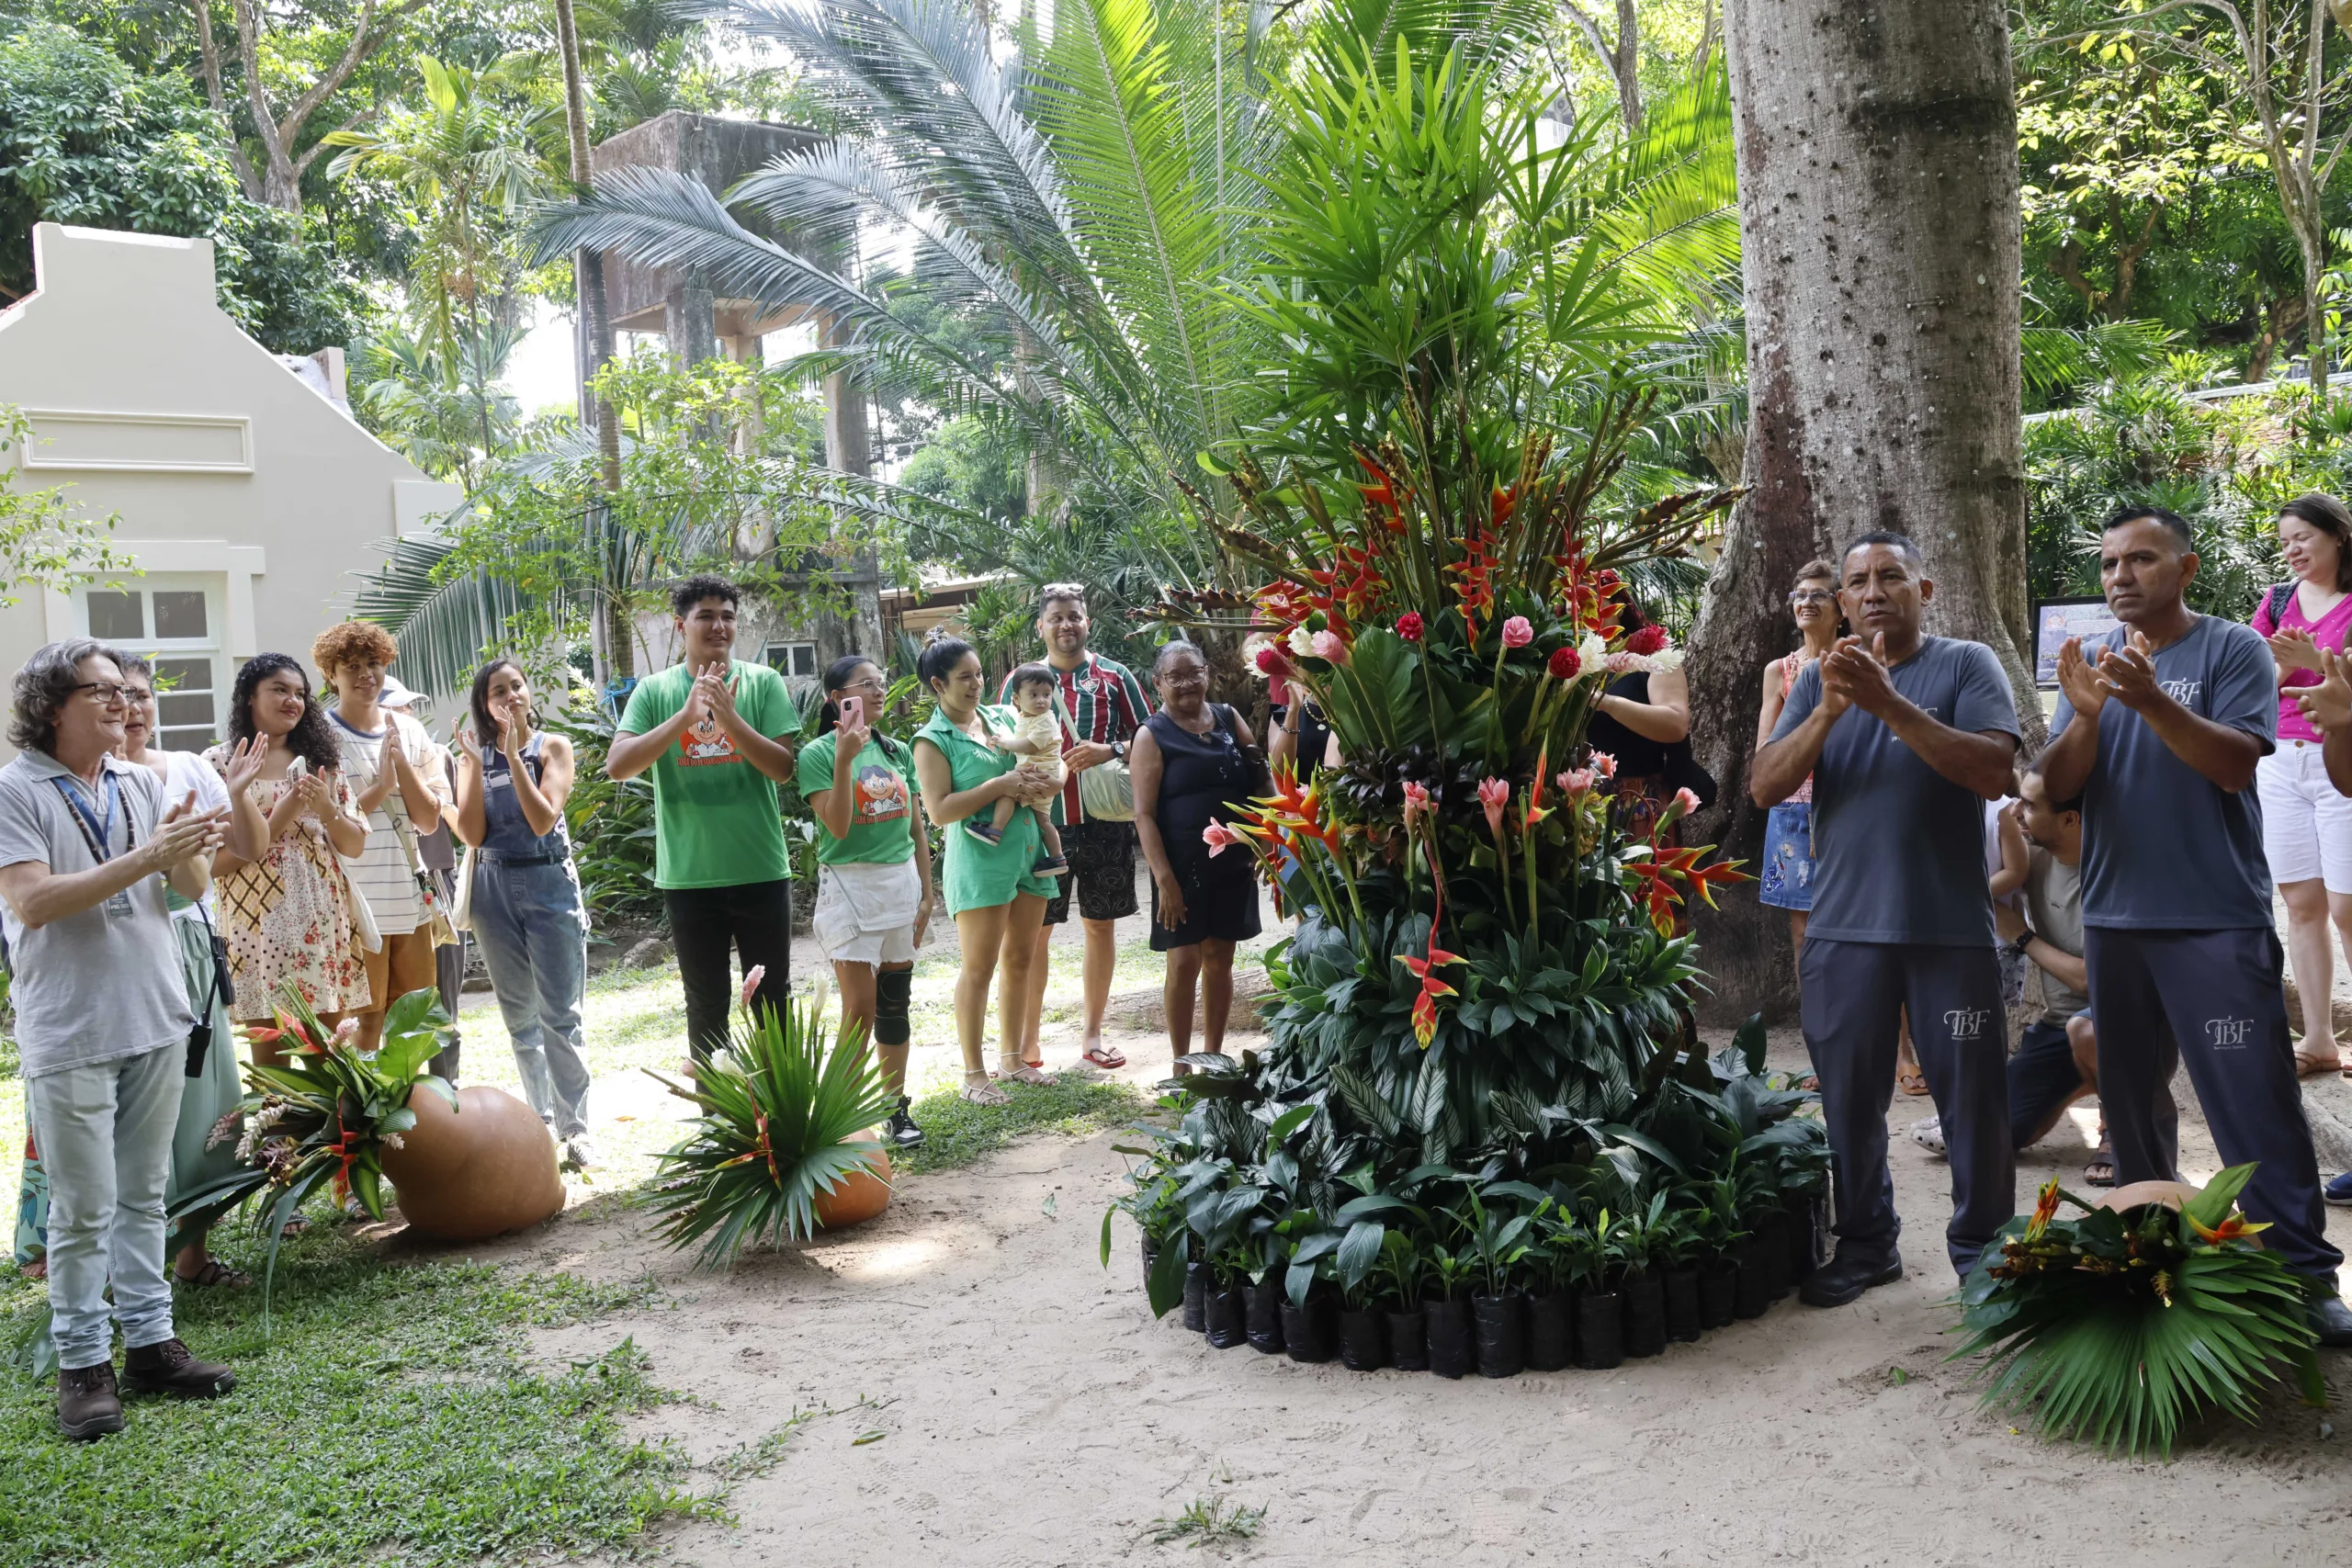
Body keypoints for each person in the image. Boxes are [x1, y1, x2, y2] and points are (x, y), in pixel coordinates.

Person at [2039, 504, 2352, 1345]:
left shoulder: (2232, 648)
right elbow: (2055, 794)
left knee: (2253, 1100)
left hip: (2212, 918)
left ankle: (2303, 1272)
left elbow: (2234, 762)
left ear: (2187, 567)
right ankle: (2153, 1242)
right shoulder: (2093, 667)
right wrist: (2087, 714)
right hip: (2114, 918)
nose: (2120, 577)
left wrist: (2147, 703)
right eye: (2109, 564)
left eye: (2141, 560)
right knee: (2132, 1103)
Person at [1751, 531, 2020, 1304]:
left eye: (1891, 577)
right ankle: (1868, 1244)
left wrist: (1888, 702)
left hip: (1949, 931)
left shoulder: (1967, 664)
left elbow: (1993, 769)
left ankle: (1984, 1256)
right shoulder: (1817, 681)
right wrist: (1831, 708)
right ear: (1840, 602)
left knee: (1971, 1098)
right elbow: (1766, 785)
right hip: (1842, 931)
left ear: (1923, 590)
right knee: (1849, 1098)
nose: (1873, 591)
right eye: (1858, 581)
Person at [0, 640, 236, 1438]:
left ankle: (151, 1345)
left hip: (155, 1011)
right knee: (83, 1206)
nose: (122, 702)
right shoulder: (16, 789)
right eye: (99, 691)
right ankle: (81, 1366)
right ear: (51, 705)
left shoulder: (142, 782)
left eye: (123, 691)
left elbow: (187, 890)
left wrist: (190, 851)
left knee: (143, 1195)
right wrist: (150, 854)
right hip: (71, 1024)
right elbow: (34, 903)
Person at [1909, 768, 2177, 1186]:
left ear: (2070, 819)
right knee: (1992, 1133)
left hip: (2127, 1029)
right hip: (2057, 1028)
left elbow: (2090, 980)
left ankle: (2117, 1127)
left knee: (2085, 1031)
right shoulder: (2034, 856)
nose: (2017, 811)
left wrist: (2021, 935)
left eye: (2030, 806)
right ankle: (2080, 1078)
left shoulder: (2115, 872)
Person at [610, 576, 797, 1066]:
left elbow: (781, 768)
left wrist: (729, 718)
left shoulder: (763, 682)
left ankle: (785, 1127)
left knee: (772, 1004)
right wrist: (686, 718)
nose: (719, 626)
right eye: (706, 616)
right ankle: (722, 1132)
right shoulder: (654, 690)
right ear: (682, 625)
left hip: (760, 868)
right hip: (689, 876)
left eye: (728, 616)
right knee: (707, 1007)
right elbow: (618, 765)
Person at [119, 658, 263, 1287]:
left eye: (142, 695)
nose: (132, 708)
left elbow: (240, 850)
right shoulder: (83, 782)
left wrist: (235, 791)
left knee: (205, 1099)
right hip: (121, 954)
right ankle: (128, 1265)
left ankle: (192, 1256)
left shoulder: (189, 769)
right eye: (118, 696)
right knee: (132, 1110)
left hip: (192, 946)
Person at [452, 659, 595, 1171]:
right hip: (493, 886)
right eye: (498, 691)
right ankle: (541, 1123)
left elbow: (541, 820)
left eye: (517, 685)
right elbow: (470, 835)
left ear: (529, 692)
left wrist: (513, 757)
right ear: (484, 703)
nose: (510, 696)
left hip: (548, 879)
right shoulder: (473, 755)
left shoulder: (551, 747)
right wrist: (470, 767)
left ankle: (576, 1127)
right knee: (519, 1018)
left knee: (562, 1013)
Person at [1005, 583, 1153, 1073]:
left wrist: (1107, 750)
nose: (1066, 624)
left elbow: (1150, 737)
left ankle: (1093, 1034)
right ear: (1041, 626)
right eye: (1056, 617)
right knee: (1036, 933)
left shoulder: (1115, 675)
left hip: (1104, 823)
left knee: (1100, 926)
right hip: (1041, 824)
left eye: (1074, 616)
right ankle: (1028, 1043)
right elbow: (999, 742)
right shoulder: (1019, 680)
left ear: (1087, 622)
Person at [913, 637, 1063, 1104]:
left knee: (1021, 958)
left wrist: (1051, 778)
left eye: (978, 674)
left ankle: (1013, 1059)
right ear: (938, 684)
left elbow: (1044, 758)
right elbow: (939, 811)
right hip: (980, 861)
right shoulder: (932, 740)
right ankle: (974, 1075)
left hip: (1030, 851)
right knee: (979, 967)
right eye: (964, 677)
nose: (976, 684)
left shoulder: (1003, 717)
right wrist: (1001, 783)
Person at [797, 655, 937, 1146]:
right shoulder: (816, 754)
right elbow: (837, 826)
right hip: (850, 887)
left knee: (894, 1002)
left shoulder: (896, 750)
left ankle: (894, 1109)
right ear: (838, 698)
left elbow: (916, 824)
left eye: (881, 684)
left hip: (900, 884)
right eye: (866, 685)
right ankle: (838, 1116)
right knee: (860, 1007)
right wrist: (842, 758)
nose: (879, 691)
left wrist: (927, 888)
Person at [206, 654, 372, 1065]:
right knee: (271, 1059)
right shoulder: (218, 763)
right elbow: (213, 863)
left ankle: (335, 1131)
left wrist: (328, 810)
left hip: (319, 912)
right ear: (249, 697)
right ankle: (277, 1131)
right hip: (252, 924)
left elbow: (353, 845)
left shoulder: (322, 764)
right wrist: (285, 810)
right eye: (279, 690)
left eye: (299, 693)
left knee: (330, 1054)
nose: (292, 701)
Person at [311, 622, 451, 1053]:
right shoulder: (319, 737)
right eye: (350, 666)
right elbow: (326, 829)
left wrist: (400, 767)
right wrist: (381, 784)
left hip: (410, 902)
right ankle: (362, 1121)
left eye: (373, 663)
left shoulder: (409, 732)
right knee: (361, 1030)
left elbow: (430, 821)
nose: (364, 674)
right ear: (330, 674)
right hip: (352, 908)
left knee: (414, 1031)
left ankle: (413, 1120)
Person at [2250, 492, 2352, 1076]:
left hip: (2338, 759)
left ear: (2337, 535)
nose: (2292, 550)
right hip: (2279, 763)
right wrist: (2288, 665)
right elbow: (2255, 681)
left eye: (2303, 538)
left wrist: (2316, 656)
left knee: (2347, 906)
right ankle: (2318, 1039)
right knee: (2302, 903)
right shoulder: (2278, 599)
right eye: (2285, 540)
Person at [1131, 641, 1265, 1069]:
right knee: (1184, 960)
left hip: (1233, 859)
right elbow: (1144, 816)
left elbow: (1261, 779)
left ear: (1208, 673)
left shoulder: (1228, 717)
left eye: (1194, 673)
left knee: (1220, 957)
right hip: (1180, 865)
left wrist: (1271, 836)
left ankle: (1215, 1057)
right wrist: (1164, 881)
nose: (1187, 683)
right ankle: (1181, 1063)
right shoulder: (1152, 734)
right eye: (1175, 676)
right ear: (1158, 683)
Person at [1753, 559, 1842, 946]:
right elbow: (1765, 750)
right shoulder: (1780, 669)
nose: (1807, 602)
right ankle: (1815, 1009)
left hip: (1844, 800)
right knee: (1803, 928)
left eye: (1818, 595)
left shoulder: (1856, 662)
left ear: (1841, 605)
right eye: (1800, 595)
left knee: (1855, 919)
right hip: (1791, 806)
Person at [385, 675, 466, 1083]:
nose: (406, 715)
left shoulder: (437, 754)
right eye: (396, 708)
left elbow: (448, 817)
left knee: (444, 992)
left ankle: (447, 1087)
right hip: (382, 888)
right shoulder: (350, 756)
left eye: (408, 707)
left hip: (436, 881)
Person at [970, 662, 1070, 877]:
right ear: (1017, 700)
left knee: (1008, 792)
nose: (1041, 700)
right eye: (1033, 695)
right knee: (1043, 820)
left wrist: (1005, 743)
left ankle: (995, 830)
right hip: (1042, 774)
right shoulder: (1026, 717)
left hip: (1037, 773)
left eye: (1046, 694)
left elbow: (1030, 745)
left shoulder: (1045, 720)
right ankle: (1057, 857)